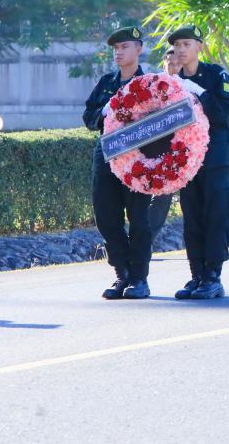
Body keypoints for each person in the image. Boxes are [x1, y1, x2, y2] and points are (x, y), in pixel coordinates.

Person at [82, 27, 154, 300]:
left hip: (138, 156)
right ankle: (121, 273)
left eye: (125, 47)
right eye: (116, 48)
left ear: (139, 49)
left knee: (139, 219)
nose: (119, 52)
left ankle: (139, 278)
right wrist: (105, 110)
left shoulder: (150, 83)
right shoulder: (106, 82)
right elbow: (88, 116)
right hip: (107, 152)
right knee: (106, 216)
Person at [169, 26, 229, 300]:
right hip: (186, 161)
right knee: (192, 219)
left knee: (216, 216)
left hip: (215, 159)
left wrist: (198, 90)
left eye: (187, 44)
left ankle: (213, 276)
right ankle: (197, 274)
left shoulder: (215, 75)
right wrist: (173, 80)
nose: (181, 49)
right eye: (177, 45)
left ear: (199, 46)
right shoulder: (171, 79)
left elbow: (224, 112)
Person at [146, 45, 181, 240]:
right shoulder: (153, 85)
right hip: (158, 150)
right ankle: (146, 240)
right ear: (163, 64)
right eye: (170, 63)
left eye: (178, 64)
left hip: (185, 149)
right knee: (160, 198)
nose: (174, 67)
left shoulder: (189, 86)